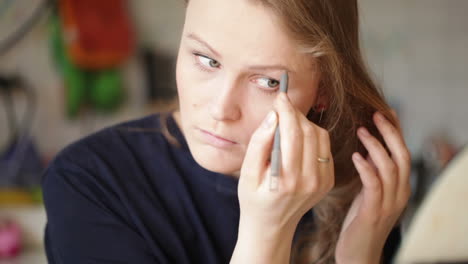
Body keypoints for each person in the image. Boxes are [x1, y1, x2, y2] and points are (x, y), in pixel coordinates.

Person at [42, 0, 411, 263]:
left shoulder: (362, 194)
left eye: (267, 81)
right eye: (206, 60)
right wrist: (267, 231)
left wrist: (359, 256)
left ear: (324, 92)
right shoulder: (87, 181)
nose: (221, 109)